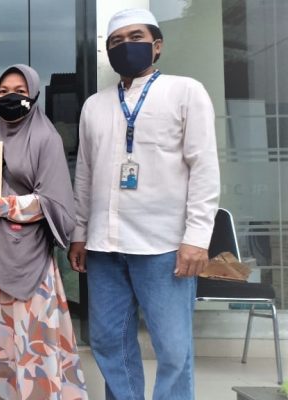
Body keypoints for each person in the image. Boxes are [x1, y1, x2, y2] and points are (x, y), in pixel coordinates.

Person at [68, 9, 220, 400]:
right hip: (105, 247)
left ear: (157, 46)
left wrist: (197, 238)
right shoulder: (94, 105)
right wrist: (80, 233)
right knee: (108, 341)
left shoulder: (185, 92)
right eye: (115, 41)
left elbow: (203, 167)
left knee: (172, 348)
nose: (125, 46)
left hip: (164, 246)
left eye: (135, 37)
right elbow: (85, 174)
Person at [0, 64, 88, 399]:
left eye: (19, 92)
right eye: (2, 92)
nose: (10, 97)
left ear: (34, 96)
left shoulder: (46, 139)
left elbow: (51, 204)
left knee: (31, 342)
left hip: (29, 262)